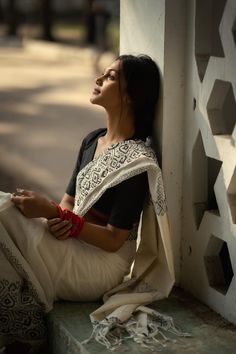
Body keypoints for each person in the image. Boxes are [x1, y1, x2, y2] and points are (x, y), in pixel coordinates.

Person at [0, 54, 176, 353]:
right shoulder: (92, 140)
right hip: (72, 241)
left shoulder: (135, 160)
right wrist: (58, 220)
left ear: (130, 96)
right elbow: (69, 203)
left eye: (109, 77)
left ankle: (25, 330)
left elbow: (113, 240)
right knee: (8, 209)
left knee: (3, 211)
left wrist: (54, 214)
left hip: (100, 264)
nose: (98, 80)